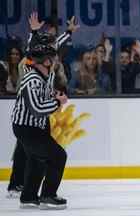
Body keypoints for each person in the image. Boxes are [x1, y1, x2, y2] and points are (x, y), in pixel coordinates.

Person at [11, 39, 68, 209]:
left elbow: (44, 95)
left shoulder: (44, 75)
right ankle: (48, 196)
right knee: (58, 156)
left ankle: (28, 197)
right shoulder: (32, 80)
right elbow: (36, 108)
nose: (55, 61)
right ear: (46, 61)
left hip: (36, 127)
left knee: (37, 159)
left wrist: (55, 95)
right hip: (27, 128)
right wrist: (58, 103)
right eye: (53, 58)